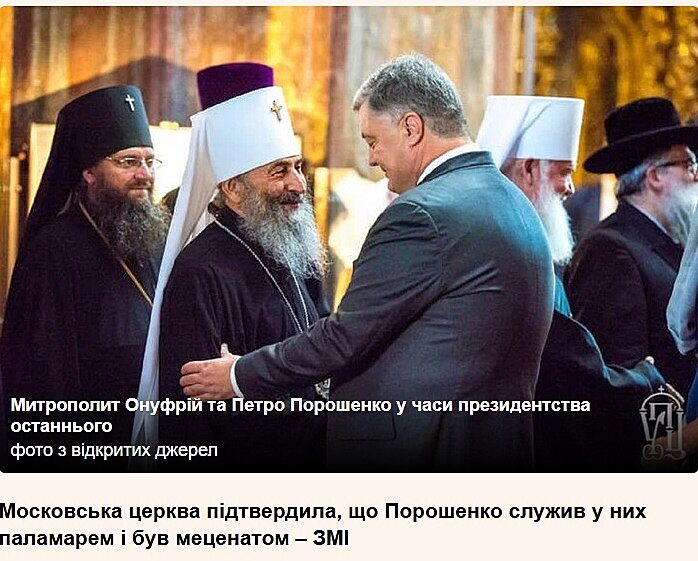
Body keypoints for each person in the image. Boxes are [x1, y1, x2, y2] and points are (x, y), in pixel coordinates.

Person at [179, 54, 555, 471]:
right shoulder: (511, 200)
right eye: (280, 170)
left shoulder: (421, 213)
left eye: (373, 140)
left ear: (411, 128)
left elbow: (345, 336)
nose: (372, 158)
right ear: (232, 188)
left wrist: (238, 375)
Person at [136, 63, 329, 470]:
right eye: (279, 171)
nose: (298, 184)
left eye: (297, 166)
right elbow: (189, 413)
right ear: (233, 188)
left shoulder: (297, 252)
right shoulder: (199, 272)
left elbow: (326, 341)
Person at [478, 95, 667, 471]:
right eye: (563, 172)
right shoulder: (508, 250)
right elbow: (568, 371)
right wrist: (644, 376)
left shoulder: (527, 245)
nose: (570, 188)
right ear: (529, 169)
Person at [0, 85, 168, 471]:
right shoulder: (53, 251)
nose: (144, 175)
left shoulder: (152, 241)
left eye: (149, 161)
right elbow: (42, 378)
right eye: (128, 162)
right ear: (89, 172)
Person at [565, 97, 698, 399]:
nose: (696, 175)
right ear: (655, 176)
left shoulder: (671, 242)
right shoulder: (608, 250)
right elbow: (618, 370)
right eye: (688, 164)